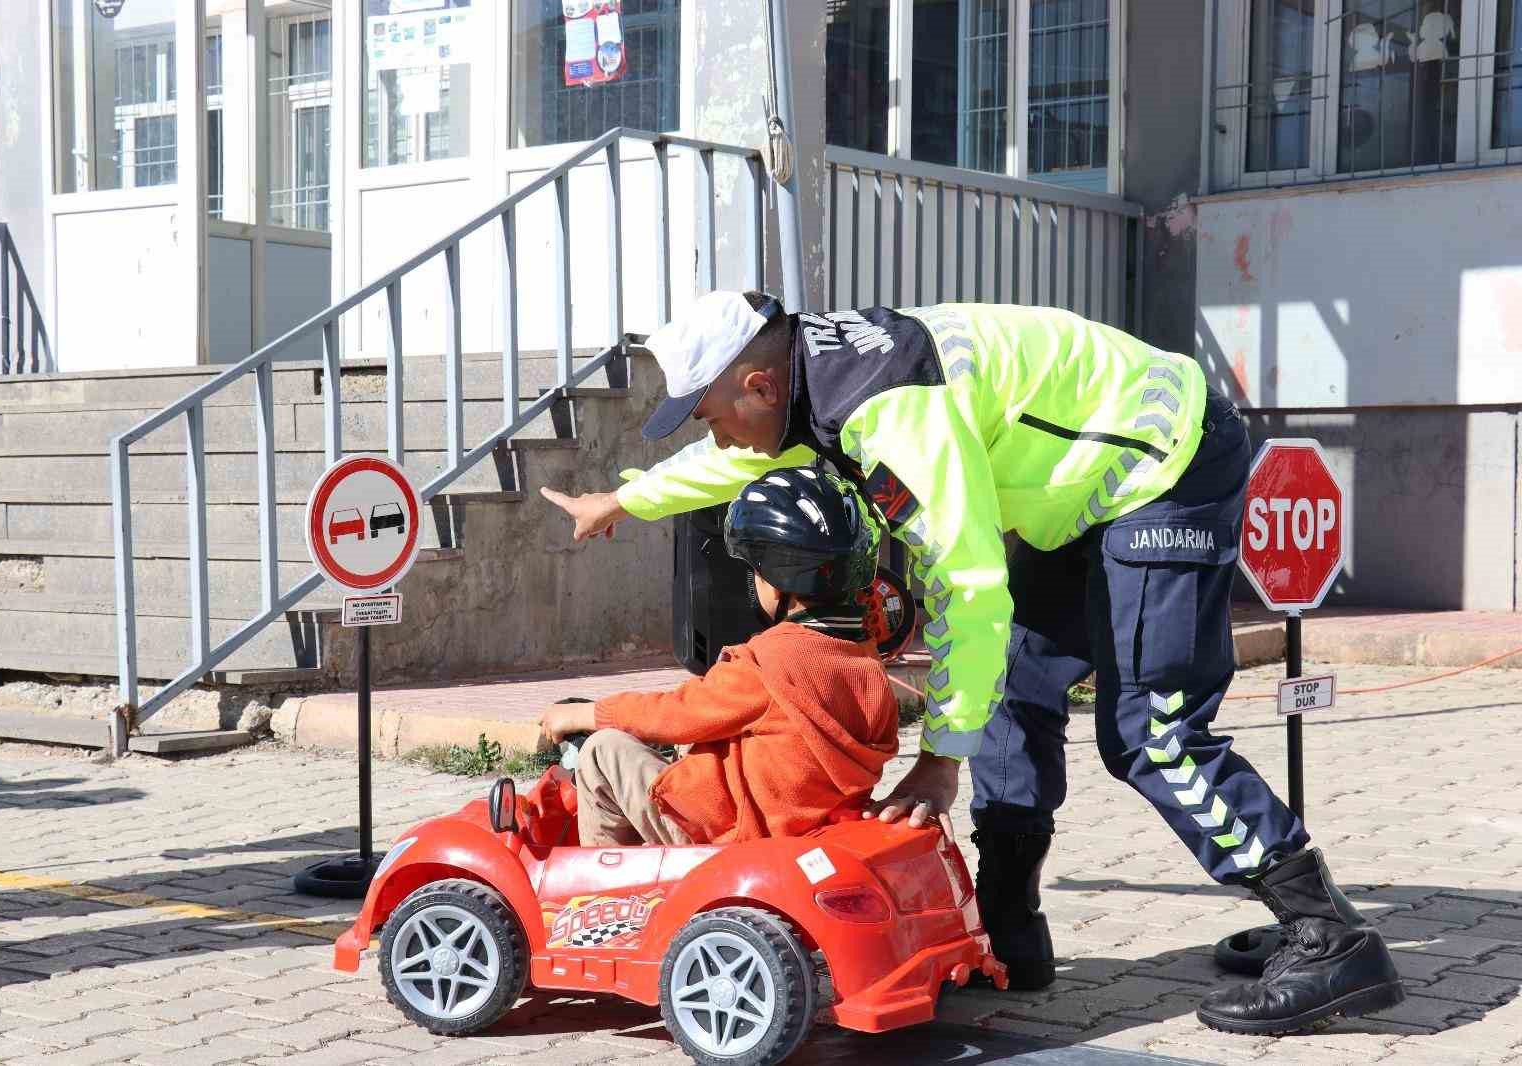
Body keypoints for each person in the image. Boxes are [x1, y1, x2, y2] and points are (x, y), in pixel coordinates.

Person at [541, 290, 1404, 1034]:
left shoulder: (885, 413)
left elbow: (968, 581)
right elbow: (734, 458)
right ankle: (1009, 932)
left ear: (757, 384)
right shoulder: (807, 385)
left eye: (711, 412)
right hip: (1080, 491)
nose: (716, 433)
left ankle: (1330, 938)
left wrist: (941, 759)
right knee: (1017, 693)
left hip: (1163, 457)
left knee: (1151, 731)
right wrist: (622, 499)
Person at [539, 466, 899, 847]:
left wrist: (587, 714)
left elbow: (677, 712)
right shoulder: (867, 663)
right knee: (684, 745)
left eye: (755, 571)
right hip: (798, 821)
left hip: (728, 834)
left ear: (776, 582)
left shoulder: (768, 664)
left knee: (601, 751)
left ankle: (603, 894)